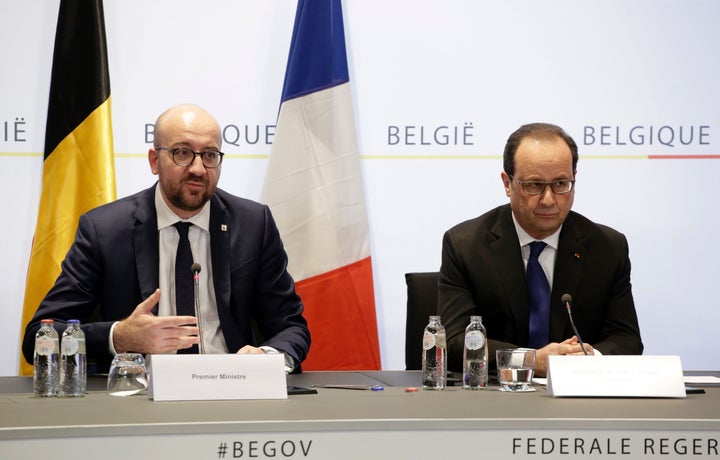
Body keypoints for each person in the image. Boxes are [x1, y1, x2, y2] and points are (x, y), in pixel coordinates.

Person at [22, 103, 310, 373]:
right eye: (182, 153)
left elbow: (291, 327)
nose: (198, 168)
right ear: (154, 161)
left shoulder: (252, 224)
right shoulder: (105, 230)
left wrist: (267, 357)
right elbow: (40, 335)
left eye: (209, 155)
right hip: (139, 396)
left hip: (230, 389)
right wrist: (120, 336)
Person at [438, 122, 642, 377]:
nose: (548, 199)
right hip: (496, 398)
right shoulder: (466, 245)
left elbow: (627, 339)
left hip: (578, 399)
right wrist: (530, 360)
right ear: (507, 183)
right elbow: (455, 341)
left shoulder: (607, 248)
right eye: (534, 185)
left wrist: (590, 357)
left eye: (560, 184)